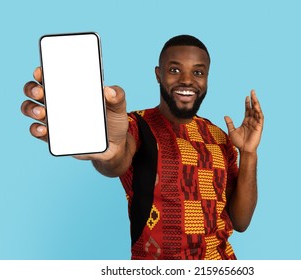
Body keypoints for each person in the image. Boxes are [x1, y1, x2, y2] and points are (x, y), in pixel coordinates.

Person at [21, 35, 264, 260]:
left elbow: (240, 222)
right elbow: (117, 159)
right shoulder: (136, 125)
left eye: (198, 72)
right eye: (175, 70)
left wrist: (249, 153)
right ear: (158, 74)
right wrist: (110, 151)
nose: (187, 80)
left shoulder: (220, 137)